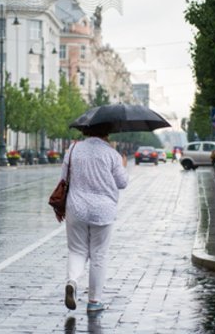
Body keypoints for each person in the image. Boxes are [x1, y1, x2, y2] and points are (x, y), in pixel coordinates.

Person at [59, 123, 128, 312]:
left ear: (85, 131)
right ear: (106, 132)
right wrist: (123, 165)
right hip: (103, 211)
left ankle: (72, 281)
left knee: (76, 250)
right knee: (99, 254)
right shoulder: (112, 154)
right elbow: (122, 183)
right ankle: (94, 302)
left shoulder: (73, 150)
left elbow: (64, 178)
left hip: (76, 208)